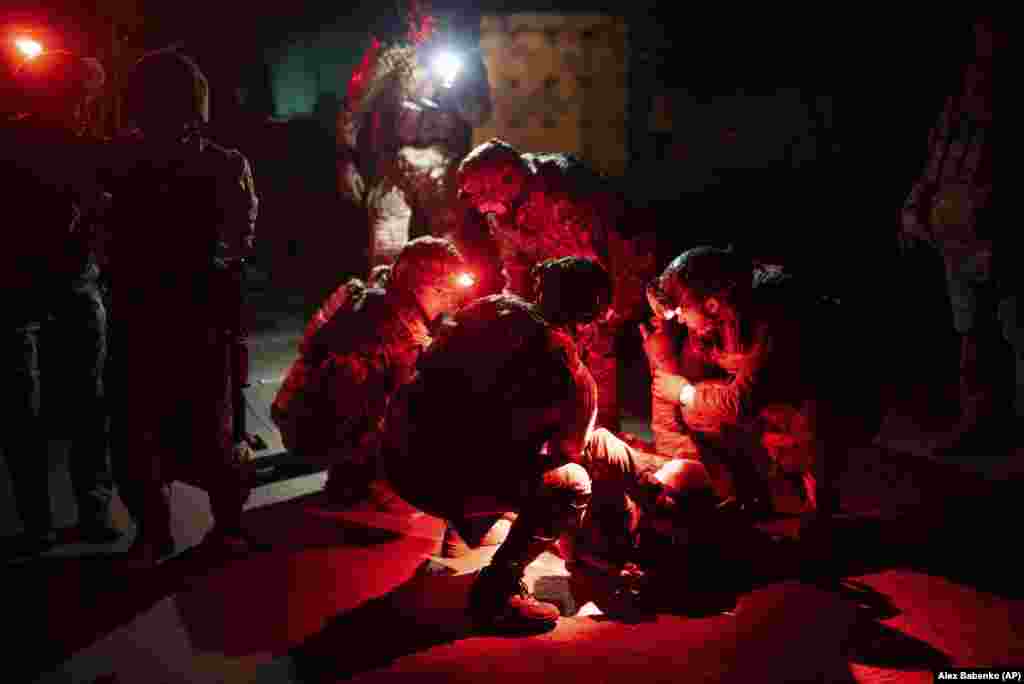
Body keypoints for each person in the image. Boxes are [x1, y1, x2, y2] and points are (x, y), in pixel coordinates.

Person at [382, 256, 693, 632]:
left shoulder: (489, 307)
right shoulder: (566, 368)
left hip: (399, 455)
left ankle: (652, 495)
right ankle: (496, 594)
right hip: (438, 477)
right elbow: (568, 454)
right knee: (571, 483)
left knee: (581, 445)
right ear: (591, 316)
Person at [105, 47, 259, 566]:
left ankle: (201, 530)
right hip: (161, 312)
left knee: (196, 431)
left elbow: (236, 242)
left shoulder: (214, 163)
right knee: (151, 433)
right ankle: (167, 532)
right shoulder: (127, 161)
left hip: (185, 314)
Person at [641, 246, 885, 538]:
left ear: (712, 304)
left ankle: (823, 510)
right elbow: (685, 380)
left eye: (681, 311)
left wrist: (683, 391)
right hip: (774, 398)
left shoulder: (772, 314)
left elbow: (739, 402)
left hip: (838, 401)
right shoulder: (713, 320)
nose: (679, 320)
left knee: (804, 425)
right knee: (698, 407)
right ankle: (749, 497)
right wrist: (664, 358)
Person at [455, 139, 659, 431]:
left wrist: (603, 309)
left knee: (594, 343)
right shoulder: (501, 206)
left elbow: (593, 272)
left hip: (616, 266)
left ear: (509, 180)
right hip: (570, 270)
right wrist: (513, 311)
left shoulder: (560, 195)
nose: (480, 206)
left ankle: (600, 433)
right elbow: (516, 266)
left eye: (484, 195)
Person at [1, 49, 118, 557]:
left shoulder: (13, 139)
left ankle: (40, 521)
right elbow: (100, 215)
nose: (86, 104)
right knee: (83, 401)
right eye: (83, 94)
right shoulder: (79, 146)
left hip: (27, 286)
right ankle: (89, 511)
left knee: (27, 408)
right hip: (58, 284)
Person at [271, 236, 470, 504]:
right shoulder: (403, 333)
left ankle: (348, 473)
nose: (453, 297)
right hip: (317, 431)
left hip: (293, 415)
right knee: (426, 410)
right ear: (427, 288)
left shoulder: (371, 296)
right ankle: (363, 481)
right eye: (447, 289)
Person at [899, 15, 1015, 457]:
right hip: (957, 240)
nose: (982, 55)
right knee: (971, 333)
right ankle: (979, 425)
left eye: (993, 41)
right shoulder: (959, 104)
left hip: (999, 241)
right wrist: (913, 209)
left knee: (1011, 331)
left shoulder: (1005, 102)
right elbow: (936, 162)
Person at [337, 0, 494, 282]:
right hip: (395, 162)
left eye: (437, 13)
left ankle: (453, 310)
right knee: (387, 246)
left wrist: (459, 88)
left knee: (452, 245)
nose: (432, 20)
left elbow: (479, 113)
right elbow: (355, 105)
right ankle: (384, 306)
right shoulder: (391, 54)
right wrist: (346, 159)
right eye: (423, 12)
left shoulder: (466, 60)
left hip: (442, 164)